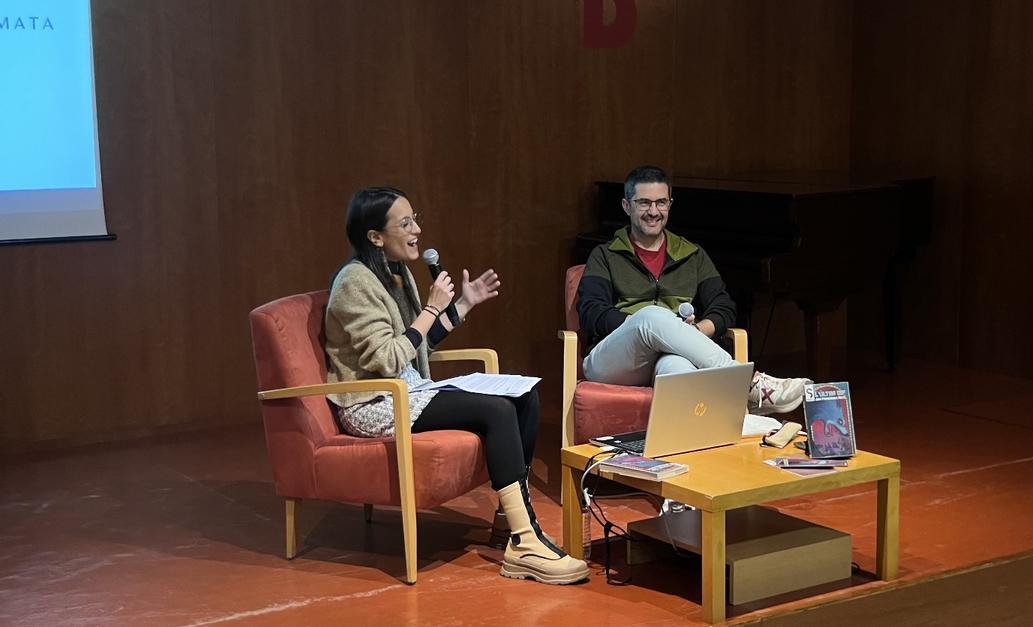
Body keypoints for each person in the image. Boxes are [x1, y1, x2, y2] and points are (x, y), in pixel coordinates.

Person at [324, 186, 588, 585]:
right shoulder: (354, 283)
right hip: (373, 403)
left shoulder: (396, 273)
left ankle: (511, 525)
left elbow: (417, 345)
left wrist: (461, 305)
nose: (417, 230)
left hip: (407, 388)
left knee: (523, 396)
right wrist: (432, 307)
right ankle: (527, 542)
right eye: (405, 222)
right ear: (375, 236)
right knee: (495, 409)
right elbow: (386, 359)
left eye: (416, 218)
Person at [577, 166, 811, 415]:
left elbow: (724, 307)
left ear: (670, 204)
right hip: (614, 361)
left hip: (668, 357)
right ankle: (746, 383)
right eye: (644, 203)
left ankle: (682, 449)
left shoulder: (692, 255)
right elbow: (593, 313)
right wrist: (648, 327)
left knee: (680, 369)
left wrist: (692, 332)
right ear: (627, 206)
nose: (653, 211)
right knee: (652, 317)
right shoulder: (605, 255)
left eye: (661, 203)